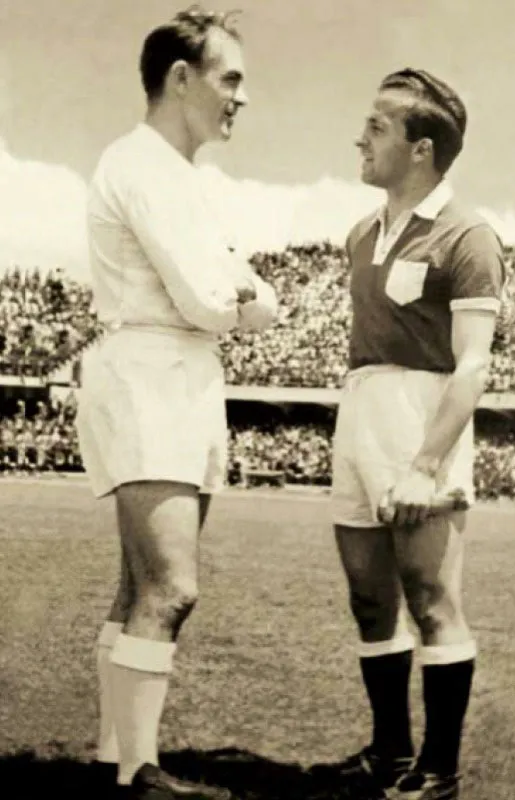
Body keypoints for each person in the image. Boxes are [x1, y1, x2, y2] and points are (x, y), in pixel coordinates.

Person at [76, 6, 278, 799]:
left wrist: (241, 291)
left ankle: (111, 760)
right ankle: (139, 772)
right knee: (171, 588)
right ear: (181, 78)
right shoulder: (140, 165)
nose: (242, 98)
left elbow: (238, 283)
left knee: (138, 590)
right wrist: (245, 298)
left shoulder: (185, 176)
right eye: (231, 79)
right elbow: (209, 297)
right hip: (151, 373)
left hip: (181, 375)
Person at [309, 69, 505, 800]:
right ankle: (389, 751)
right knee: (369, 599)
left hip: (421, 417)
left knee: (429, 597)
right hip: (358, 408)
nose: (361, 138)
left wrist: (425, 462)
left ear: (420, 149)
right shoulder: (360, 233)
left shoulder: (467, 234)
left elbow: (473, 364)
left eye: (377, 128)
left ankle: (439, 769)